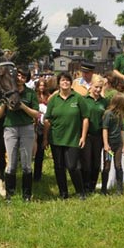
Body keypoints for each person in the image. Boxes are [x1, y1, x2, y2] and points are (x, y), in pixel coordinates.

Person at [43, 72, 89, 200]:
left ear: (71, 83)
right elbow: (47, 120)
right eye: (62, 80)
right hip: (56, 139)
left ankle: (80, 192)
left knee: (72, 166)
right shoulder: (53, 100)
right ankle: (63, 193)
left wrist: (83, 136)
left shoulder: (78, 98)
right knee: (59, 167)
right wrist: (46, 138)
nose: (65, 82)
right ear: (58, 83)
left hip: (73, 138)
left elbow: (85, 118)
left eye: (67, 80)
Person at [0, 67, 40, 201]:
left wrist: (22, 106)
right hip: (10, 128)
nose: (20, 78)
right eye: (18, 76)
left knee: (26, 162)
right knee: (11, 162)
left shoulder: (30, 93)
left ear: (26, 79)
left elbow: (36, 114)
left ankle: (26, 195)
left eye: (23, 76)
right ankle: (10, 194)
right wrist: (4, 104)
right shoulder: (7, 91)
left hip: (26, 128)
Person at [81, 76, 108, 193]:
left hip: (99, 136)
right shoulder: (84, 100)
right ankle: (85, 185)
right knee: (87, 162)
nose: (97, 90)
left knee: (96, 163)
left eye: (100, 88)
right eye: (96, 87)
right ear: (91, 86)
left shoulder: (104, 102)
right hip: (87, 135)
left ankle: (92, 185)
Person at [101, 92, 124, 195]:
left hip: (118, 145)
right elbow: (105, 129)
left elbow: (122, 130)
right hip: (110, 145)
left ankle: (119, 189)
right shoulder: (108, 114)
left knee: (118, 166)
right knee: (107, 166)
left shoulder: (120, 115)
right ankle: (104, 189)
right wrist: (106, 144)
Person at [33, 77, 51, 182]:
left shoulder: (49, 97)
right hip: (36, 126)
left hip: (46, 126)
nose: (42, 87)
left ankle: (38, 176)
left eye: (43, 85)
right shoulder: (34, 97)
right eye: (40, 85)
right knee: (35, 152)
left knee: (41, 152)